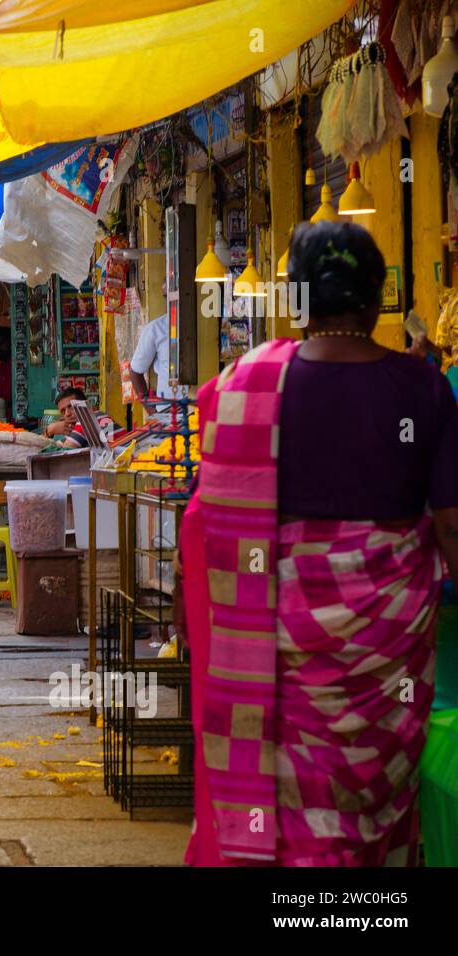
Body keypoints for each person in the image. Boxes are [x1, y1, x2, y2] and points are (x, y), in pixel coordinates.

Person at [180, 221, 458, 866]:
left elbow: (206, 520)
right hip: (387, 644)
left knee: (289, 793)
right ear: (373, 299)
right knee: (369, 802)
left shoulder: (244, 389)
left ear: (297, 304)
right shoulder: (421, 386)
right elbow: (450, 523)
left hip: (276, 629)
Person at [129, 300, 190, 420]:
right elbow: (135, 371)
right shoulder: (156, 329)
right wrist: (152, 411)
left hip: (203, 412)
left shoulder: (203, 326)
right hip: (168, 415)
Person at [45, 386, 115, 448]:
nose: (67, 414)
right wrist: (48, 431)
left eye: (71, 407)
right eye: (63, 411)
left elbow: (64, 452)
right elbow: (46, 447)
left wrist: (51, 429)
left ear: (84, 405)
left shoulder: (90, 418)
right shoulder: (77, 431)